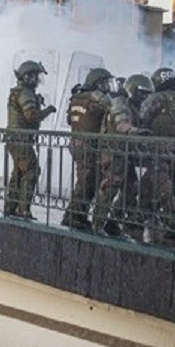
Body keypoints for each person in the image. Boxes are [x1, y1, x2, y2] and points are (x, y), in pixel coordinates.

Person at [92, 78, 151, 236]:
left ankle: (113, 221)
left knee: (132, 188)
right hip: (113, 152)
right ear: (133, 91)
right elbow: (120, 124)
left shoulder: (134, 106)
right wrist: (133, 131)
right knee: (110, 187)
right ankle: (97, 223)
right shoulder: (120, 103)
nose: (145, 98)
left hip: (124, 152)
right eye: (142, 94)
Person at [62, 67, 115, 230]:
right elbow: (111, 106)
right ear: (97, 83)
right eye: (105, 83)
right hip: (88, 145)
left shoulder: (77, 97)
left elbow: (70, 121)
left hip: (78, 143)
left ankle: (78, 215)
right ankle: (72, 216)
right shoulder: (95, 97)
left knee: (87, 181)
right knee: (86, 182)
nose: (107, 86)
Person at [138, 67, 175, 237]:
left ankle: (172, 222)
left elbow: (144, 118)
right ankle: (141, 215)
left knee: (161, 183)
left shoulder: (157, 98)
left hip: (157, 147)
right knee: (148, 181)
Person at [4, 60, 56, 219]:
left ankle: (10, 206)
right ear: (27, 77)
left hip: (15, 138)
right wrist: (48, 110)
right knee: (32, 170)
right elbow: (31, 115)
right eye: (35, 76)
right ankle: (23, 209)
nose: (37, 80)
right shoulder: (25, 93)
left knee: (19, 172)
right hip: (21, 139)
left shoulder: (18, 92)